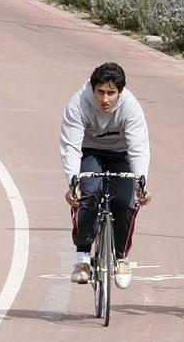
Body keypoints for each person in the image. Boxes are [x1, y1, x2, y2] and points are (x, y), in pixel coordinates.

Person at [60, 62, 152, 290]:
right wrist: (73, 183)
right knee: (87, 195)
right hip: (89, 152)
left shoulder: (130, 106)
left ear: (120, 92)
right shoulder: (78, 103)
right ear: (93, 89)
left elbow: (138, 147)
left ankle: (121, 258)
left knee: (125, 202)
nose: (105, 99)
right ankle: (82, 258)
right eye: (100, 92)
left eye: (111, 93)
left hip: (121, 154)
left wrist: (141, 182)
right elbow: (71, 145)